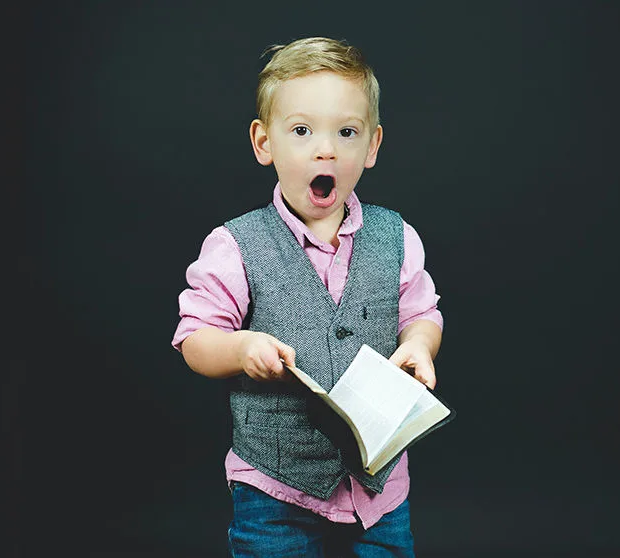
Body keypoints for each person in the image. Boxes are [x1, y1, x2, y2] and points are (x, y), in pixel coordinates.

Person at [171, 36, 444, 557]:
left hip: (378, 490)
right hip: (276, 488)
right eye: (301, 131)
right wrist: (240, 348)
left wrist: (420, 344)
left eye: (347, 132)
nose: (326, 149)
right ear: (263, 143)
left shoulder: (397, 236)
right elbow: (194, 339)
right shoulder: (235, 245)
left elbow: (422, 312)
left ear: (372, 147)